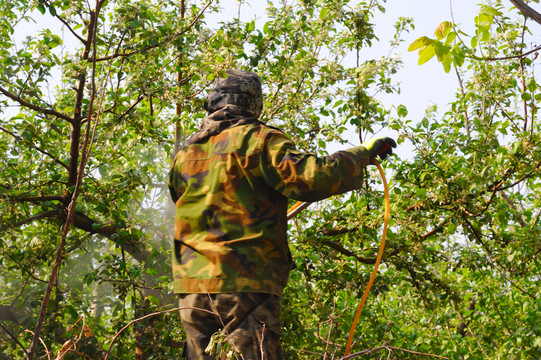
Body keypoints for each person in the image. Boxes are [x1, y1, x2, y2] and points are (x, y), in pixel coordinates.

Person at [168, 69, 396, 359]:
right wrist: (360, 155)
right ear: (253, 104)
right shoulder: (259, 141)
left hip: (192, 289)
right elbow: (311, 178)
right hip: (245, 284)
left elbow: (185, 202)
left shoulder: (185, 155)